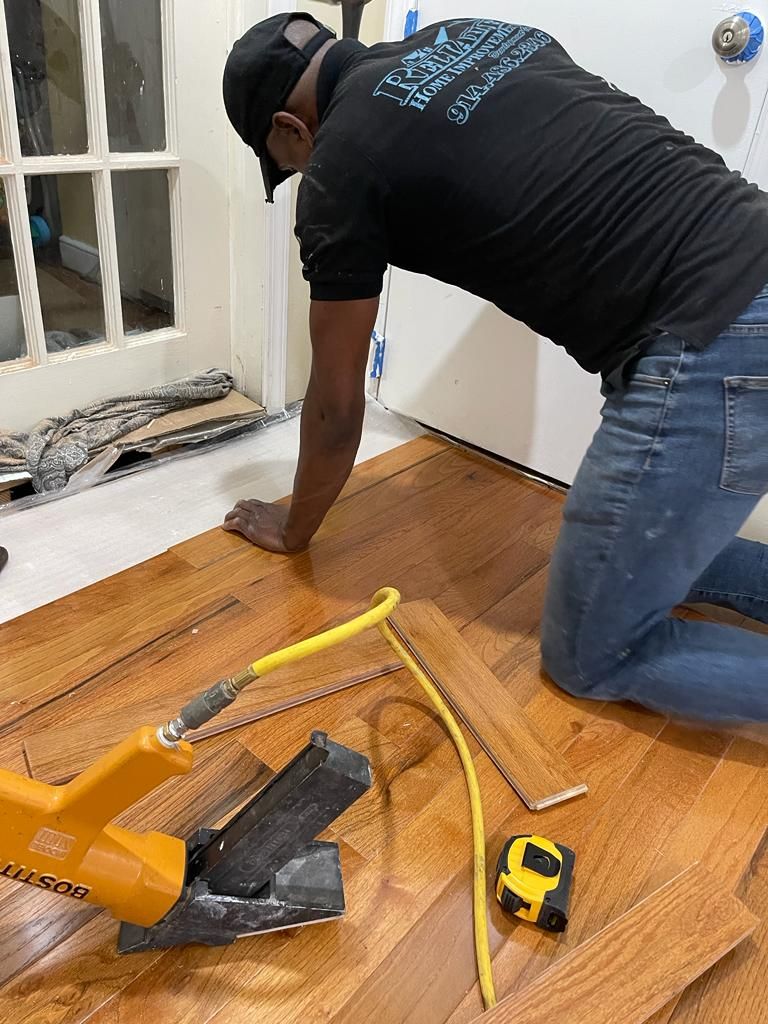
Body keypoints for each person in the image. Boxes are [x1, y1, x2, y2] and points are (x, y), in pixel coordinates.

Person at [221, 13, 768, 723]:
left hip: (713, 338)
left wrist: (295, 527)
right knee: (652, 557)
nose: (299, 173)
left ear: (292, 130)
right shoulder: (476, 32)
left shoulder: (339, 165)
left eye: (287, 163)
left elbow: (333, 411)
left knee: (594, 654)